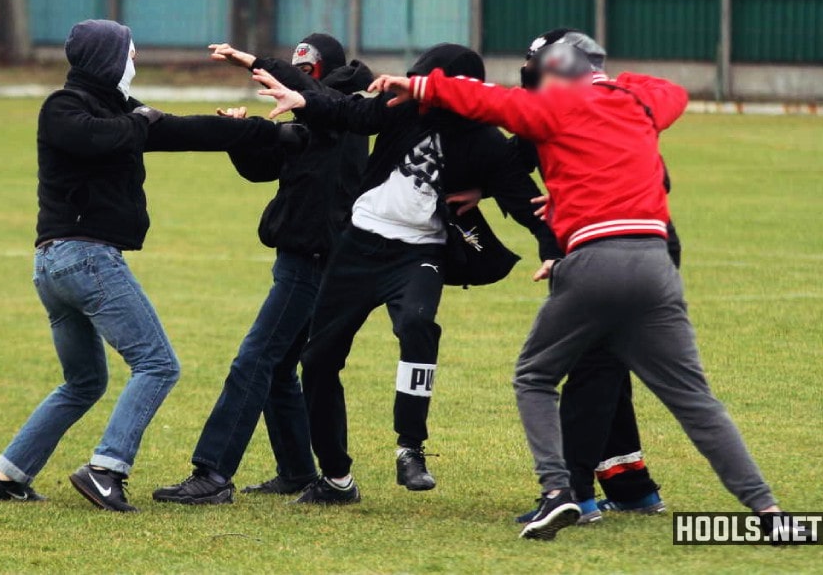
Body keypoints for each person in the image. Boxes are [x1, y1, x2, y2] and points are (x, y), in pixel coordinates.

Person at [362, 31, 789, 541]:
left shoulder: (552, 108)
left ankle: (559, 493)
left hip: (592, 263)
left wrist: (424, 88)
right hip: (656, 262)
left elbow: (490, 100)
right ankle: (769, 513)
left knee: (534, 377)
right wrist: (615, 83)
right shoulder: (635, 102)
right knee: (694, 399)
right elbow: (672, 92)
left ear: (555, 72)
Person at [0, 19, 304, 512]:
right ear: (107, 60)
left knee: (84, 382)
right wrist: (141, 121)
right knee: (157, 364)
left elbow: (182, 129)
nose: (135, 63)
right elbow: (95, 139)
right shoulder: (64, 106)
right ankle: (106, 469)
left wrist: (263, 133)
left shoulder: (120, 109)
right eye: (130, 55)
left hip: (59, 269)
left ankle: (9, 475)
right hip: (82, 259)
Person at [252, 44, 561, 504]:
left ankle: (410, 447)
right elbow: (348, 111)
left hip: (419, 252)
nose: (414, 88)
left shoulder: (485, 141)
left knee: (417, 324)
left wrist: (555, 250)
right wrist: (304, 101)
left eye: (426, 80)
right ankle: (336, 478)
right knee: (317, 360)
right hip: (357, 245)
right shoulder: (401, 108)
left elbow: (526, 202)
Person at [152, 34, 372, 505]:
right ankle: (296, 470)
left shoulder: (342, 112)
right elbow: (268, 167)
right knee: (275, 367)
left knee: (253, 358)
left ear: (322, 74)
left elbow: (313, 105)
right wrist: (241, 137)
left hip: (311, 262)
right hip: (304, 258)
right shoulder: (317, 118)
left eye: (305, 72)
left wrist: (250, 61)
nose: (295, 81)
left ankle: (212, 473)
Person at [514, 29, 674, 525]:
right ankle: (631, 488)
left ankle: (574, 494)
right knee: (606, 364)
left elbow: (657, 177)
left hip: (631, 247)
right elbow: (510, 157)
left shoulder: (605, 106)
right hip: (617, 250)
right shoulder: (551, 114)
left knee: (587, 366)